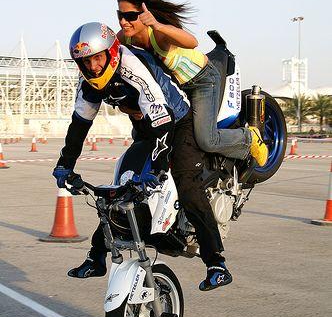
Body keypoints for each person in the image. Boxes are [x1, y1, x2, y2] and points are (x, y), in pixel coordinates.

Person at [53, 22, 233, 291]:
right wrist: (64, 164)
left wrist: (159, 167)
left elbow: (163, 120)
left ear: (112, 52)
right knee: (121, 188)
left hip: (176, 121)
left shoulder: (131, 66)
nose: (92, 67)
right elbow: (79, 124)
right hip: (146, 126)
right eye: (85, 62)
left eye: (97, 58)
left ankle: (216, 263)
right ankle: (97, 256)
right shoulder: (88, 82)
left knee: (187, 184)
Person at [116, 0, 268, 167]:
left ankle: (250, 137)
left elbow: (192, 42)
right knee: (145, 134)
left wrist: (157, 25)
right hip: (174, 88)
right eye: (120, 15)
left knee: (206, 140)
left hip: (202, 81)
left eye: (130, 16)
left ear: (144, 14)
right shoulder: (125, 39)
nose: (124, 22)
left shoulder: (157, 34)